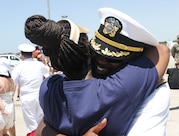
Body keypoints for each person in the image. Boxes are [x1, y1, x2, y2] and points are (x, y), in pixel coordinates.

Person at [24, 7, 169, 135]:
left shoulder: (48, 87)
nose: (102, 61)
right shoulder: (116, 89)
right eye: (97, 53)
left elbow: (42, 128)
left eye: (114, 59)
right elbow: (162, 51)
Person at [11, 44, 49, 136]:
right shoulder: (38, 65)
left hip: (27, 97)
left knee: (31, 123)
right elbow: (47, 71)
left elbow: (13, 82)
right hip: (39, 95)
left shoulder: (18, 67)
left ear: (22, 55)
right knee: (41, 119)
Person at [0, 57, 16, 136]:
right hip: (10, 107)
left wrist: (3, 109)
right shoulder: (11, 81)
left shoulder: (0, 80)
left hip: (2, 107)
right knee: (6, 132)